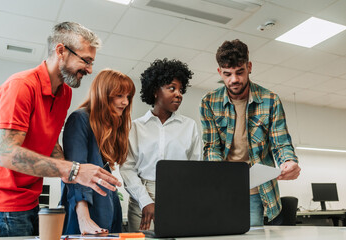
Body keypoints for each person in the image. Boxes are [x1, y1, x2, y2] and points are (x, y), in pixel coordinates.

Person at [0, 22, 121, 238]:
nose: (89, 69)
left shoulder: (64, 93)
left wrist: (77, 174)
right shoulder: (21, 86)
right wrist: (74, 170)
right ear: (61, 51)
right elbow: (6, 154)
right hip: (5, 206)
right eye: (85, 60)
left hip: (33, 200)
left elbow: (49, 144)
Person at [199, 39, 301, 226]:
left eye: (240, 72)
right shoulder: (209, 102)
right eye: (228, 74)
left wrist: (289, 161)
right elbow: (212, 147)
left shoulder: (270, 100)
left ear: (249, 67)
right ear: (219, 72)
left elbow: (281, 143)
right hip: (225, 190)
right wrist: (217, 177)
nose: (234, 80)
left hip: (261, 192)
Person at [120, 58, 202, 232]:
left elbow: (195, 170)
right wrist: (145, 201)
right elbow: (127, 168)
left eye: (180, 90)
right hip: (142, 199)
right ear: (156, 91)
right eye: (172, 88)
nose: (178, 94)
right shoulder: (135, 127)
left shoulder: (190, 126)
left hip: (178, 199)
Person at [60, 69, 135, 235]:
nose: (125, 102)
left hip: (108, 206)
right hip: (86, 210)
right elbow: (75, 174)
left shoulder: (110, 127)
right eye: (120, 95)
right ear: (104, 94)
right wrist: (84, 217)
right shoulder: (80, 119)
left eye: (128, 97)